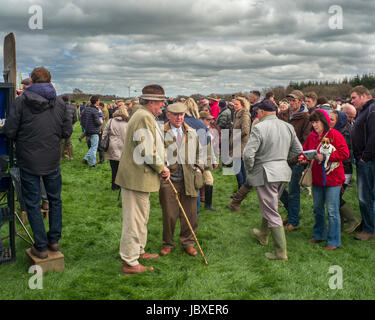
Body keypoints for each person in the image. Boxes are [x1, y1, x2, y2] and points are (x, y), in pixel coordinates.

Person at [4, 66, 72, 259]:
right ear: (49, 81)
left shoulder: (22, 101)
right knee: (55, 199)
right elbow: (67, 132)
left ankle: (41, 246)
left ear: (31, 81)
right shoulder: (59, 103)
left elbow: (9, 130)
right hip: (51, 159)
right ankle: (54, 240)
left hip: (28, 160)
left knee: (33, 203)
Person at [115, 84, 170, 274]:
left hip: (140, 177)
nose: (163, 105)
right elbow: (146, 150)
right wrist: (162, 167)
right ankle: (129, 262)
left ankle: (138, 251)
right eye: (161, 101)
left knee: (141, 217)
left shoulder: (144, 115)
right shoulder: (144, 116)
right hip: (136, 178)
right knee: (134, 220)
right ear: (151, 102)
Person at [243, 99, 303, 261]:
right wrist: (282, 160)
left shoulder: (259, 127)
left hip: (265, 173)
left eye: (258, 112)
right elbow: (298, 150)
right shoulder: (288, 126)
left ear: (262, 112)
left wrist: (251, 169)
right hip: (283, 171)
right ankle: (263, 234)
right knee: (271, 204)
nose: (257, 114)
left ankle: (280, 253)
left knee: (271, 209)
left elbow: (248, 154)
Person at [159, 102, 204, 257]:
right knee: (169, 215)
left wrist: (199, 167)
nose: (179, 118)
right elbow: (154, 154)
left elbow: (201, 154)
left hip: (190, 180)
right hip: (168, 181)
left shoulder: (192, 132)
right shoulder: (160, 132)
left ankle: (188, 242)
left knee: (190, 214)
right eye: (175, 115)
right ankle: (168, 244)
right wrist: (161, 167)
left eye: (181, 114)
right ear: (168, 115)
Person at [302, 109, 349, 250]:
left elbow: (345, 153)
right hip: (317, 178)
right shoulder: (311, 137)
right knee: (317, 208)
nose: (315, 125)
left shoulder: (335, 134)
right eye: (313, 122)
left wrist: (327, 157)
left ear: (324, 121)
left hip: (333, 179)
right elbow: (305, 150)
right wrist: (302, 158)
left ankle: (334, 241)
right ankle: (319, 234)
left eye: (317, 122)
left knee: (332, 210)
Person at [278, 90, 311, 231]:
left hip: (296, 160)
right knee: (278, 188)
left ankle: (294, 222)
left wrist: (299, 157)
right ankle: (292, 213)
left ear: (300, 102)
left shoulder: (306, 118)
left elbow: (306, 139)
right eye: (290, 101)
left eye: (294, 101)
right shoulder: (282, 115)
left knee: (293, 190)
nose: (291, 103)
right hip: (281, 157)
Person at [350, 86, 375, 240]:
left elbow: (374, 135)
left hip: (368, 161)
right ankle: (368, 224)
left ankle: (369, 229)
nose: (352, 101)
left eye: (354, 98)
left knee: (365, 196)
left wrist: (365, 156)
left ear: (364, 96)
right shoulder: (365, 110)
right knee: (367, 195)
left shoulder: (372, 110)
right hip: (365, 160)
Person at [329, 110, 360, 233]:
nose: (329, 122)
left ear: (339, 121)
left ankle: (353, 220)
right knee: (335, 198)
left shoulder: (344, 133)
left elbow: (345, 155)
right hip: (337, 169)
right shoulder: (335, 131)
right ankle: (339, 225)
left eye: (332, 119)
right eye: (328, 119)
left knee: (336, 197)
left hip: (344, 171)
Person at [102, 107, 129, 190]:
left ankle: (114, 186)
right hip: (124, 145)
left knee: (114, 168)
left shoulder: (110, 121)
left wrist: (104, 141)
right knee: (123, 167)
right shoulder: (128, 122)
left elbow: (104, 133)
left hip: (113, 145)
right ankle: (122, 184)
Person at [229, 95, 251, 190]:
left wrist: (235, 138)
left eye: (237, 104)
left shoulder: (244, 115)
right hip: (237, 143)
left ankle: (241, 189)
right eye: (234, 104)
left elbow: (245, 131)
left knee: (237, 168)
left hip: (241, 144)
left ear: (242, 105)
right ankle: (242, 188)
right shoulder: (237, 114)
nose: (235, 106)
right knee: (240, 167)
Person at [199, 111, 219, 211]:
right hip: (201, 161)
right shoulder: (200, 130)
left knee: (204, 181)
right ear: (201, 119)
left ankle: (206, 203)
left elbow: (210, 147)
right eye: (207, 120)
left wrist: (214, 159)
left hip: (206, 160)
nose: (210, 122)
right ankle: (207, 205)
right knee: (208, 180)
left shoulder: (207, 129)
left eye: (210, 120)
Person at [81, 96, 103, 168]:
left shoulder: (86, 109)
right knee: (94, 147)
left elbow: (82, 120)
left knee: (93, 146)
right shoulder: (95, 110)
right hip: (94, 131)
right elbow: (97, 123)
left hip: (87, 130)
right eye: (98, 100)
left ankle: (85, 158)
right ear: (96, 102)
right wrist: (101, 122)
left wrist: (85, 127)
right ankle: (93, 163)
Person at [60, 95, 77, 160]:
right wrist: (71, 124)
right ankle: (71, 157)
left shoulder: (59, 107)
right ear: (68, 100)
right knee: (69, 143)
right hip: (69, 126)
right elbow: (75, 119)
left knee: (61, 143)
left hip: (61, 126)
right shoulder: (72, 107)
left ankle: (61, 157)